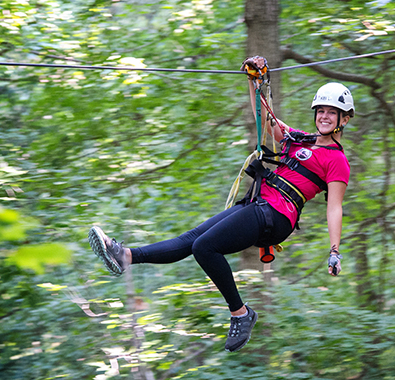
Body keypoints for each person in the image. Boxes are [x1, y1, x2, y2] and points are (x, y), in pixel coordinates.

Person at [88, 57, 353, 352]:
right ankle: (124, 256)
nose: (325, 116)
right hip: (259, 203)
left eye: (333, 112)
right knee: (192, 240)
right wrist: (254, 81)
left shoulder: (337, 162)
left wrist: (334, 250)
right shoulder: (298, 139)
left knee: (205, 248)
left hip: (277, 216)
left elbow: (334, 207)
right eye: (322, 111)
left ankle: (240, 314)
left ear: (344, 119)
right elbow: (268, 119)